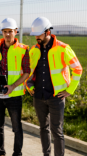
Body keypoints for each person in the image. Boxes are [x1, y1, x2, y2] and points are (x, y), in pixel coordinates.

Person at [26, 17, 82, 156]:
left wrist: (70, 90)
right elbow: (29, 71)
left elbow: (78, 69)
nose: (36, 37)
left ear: (47, 32)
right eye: (35, 35)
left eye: (39, 34)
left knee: (57, 131)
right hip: (38, 96)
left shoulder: (63, 48)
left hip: (56, 97)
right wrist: (30, 87)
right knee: (43, 128)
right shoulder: (33, 50)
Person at [0, 18, 30, 156]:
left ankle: (17, 154)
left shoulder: (23, 49)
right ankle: (0, 152)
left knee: (17, 127)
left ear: (16, 32)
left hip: (14, 95)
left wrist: (12, 86)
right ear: (2, 32)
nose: (7, 34)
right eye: (5, 31)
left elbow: (26, 72)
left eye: (10, 31)